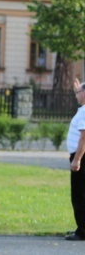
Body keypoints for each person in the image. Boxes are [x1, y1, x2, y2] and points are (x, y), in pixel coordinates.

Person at [66, 78, 85, 241]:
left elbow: (84, 138)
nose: (75, 96)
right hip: (79, 156)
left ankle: (83, 231)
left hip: (81, 157)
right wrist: (78, 89)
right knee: (80, 193)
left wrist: (77, 159)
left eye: (78, 93)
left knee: (79, 195)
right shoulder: (83, 109)